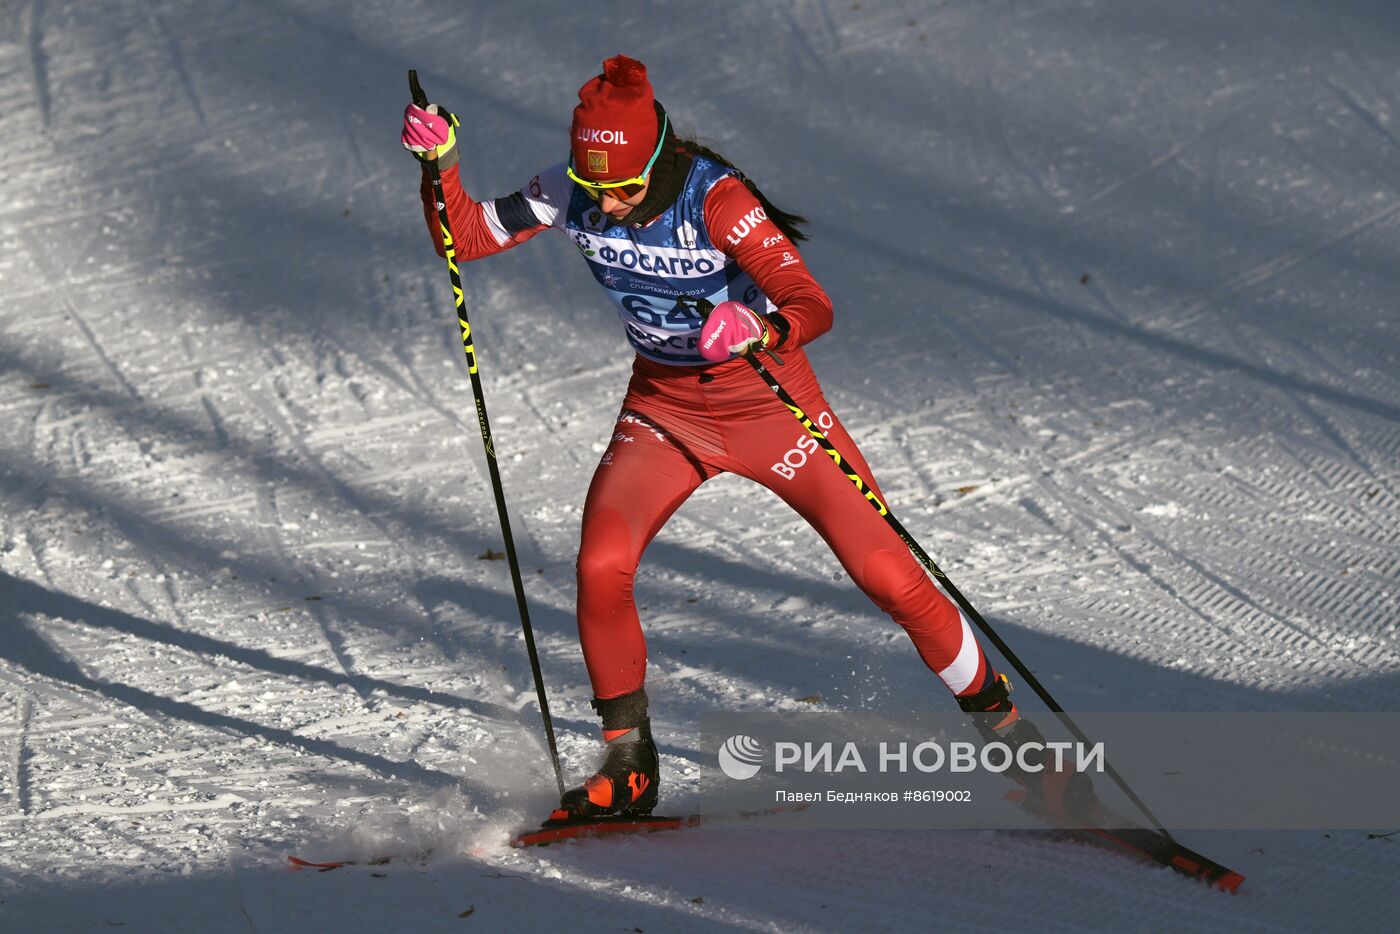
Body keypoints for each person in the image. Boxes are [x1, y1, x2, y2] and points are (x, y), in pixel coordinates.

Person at [402, 55, 1081, 822]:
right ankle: (628, 763)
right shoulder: (574, 190)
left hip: (769, 404)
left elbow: (810, 300)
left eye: (623, 187)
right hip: (666, 410)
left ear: (654, 161)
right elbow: (463, 236)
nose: (609, 204)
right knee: (600, 562)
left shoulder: (716, 201)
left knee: (888, 574)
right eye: (595, 190)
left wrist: (764, 326)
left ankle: (1025, 749)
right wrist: (442, 164)